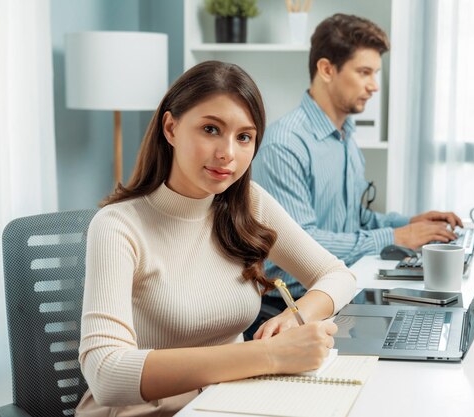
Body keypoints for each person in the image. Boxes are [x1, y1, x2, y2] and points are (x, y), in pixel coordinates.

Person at [76, 60, 356, 417]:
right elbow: (107, 374)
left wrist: (295, 316)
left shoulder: (248, 202)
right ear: (171, 128)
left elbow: (338, 275)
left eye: (244, 137)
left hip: (228, 401)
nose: (228, 154)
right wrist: (269, 356)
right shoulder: (117, 226)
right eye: (211, 129)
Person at [252, 13, 463, 305]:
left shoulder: (346, 137)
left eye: (375, 73)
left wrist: (411, 222)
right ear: (326, 69)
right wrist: (396, 237)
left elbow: (355, 220)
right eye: (364, 72)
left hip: (342, 291)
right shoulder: (285, 145)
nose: (374, 86)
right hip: (290, 307)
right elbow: (301, 243)